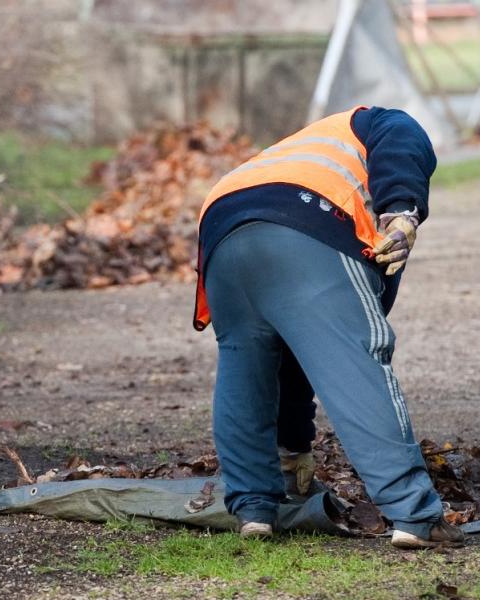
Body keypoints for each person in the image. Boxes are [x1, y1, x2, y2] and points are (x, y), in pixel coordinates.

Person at [192, 106, 465, 549]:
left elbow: (299, 352)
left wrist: (295, 446)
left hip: (221, 227)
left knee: (245, 364)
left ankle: (256, 509)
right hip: (306, 215)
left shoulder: (294, 149)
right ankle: (414, 515)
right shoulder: (376, 120)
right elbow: (402, 133)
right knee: (356, 362)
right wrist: (402, 210)